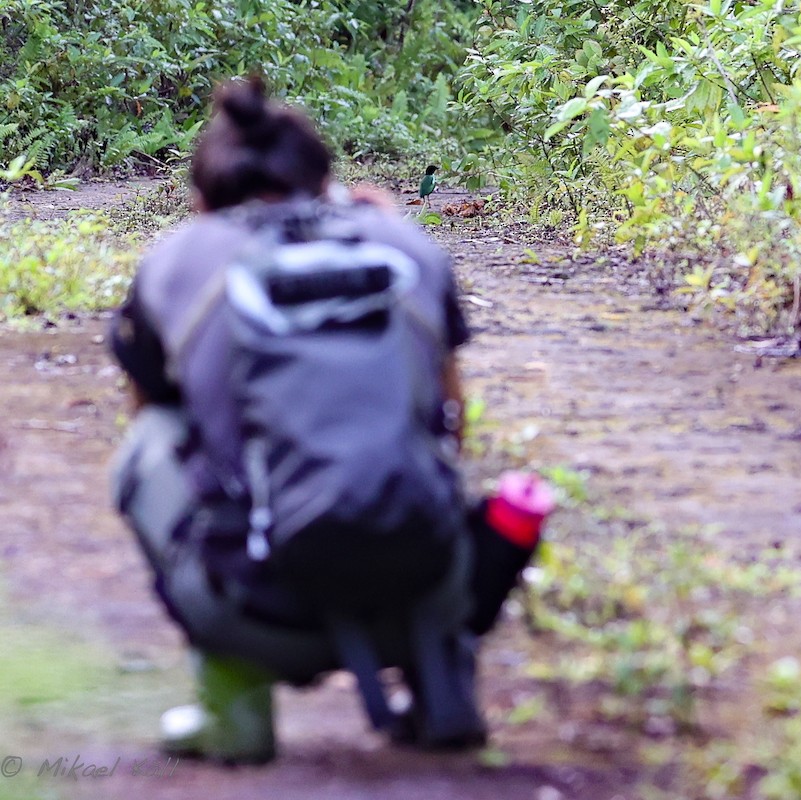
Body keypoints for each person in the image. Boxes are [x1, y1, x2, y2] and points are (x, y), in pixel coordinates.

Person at [108, 76, 539, 764]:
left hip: (257, 613)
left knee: (149, 444)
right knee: (426, 449)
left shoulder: (177, 259)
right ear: (326, 180)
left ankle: (232, 703)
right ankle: (441, 677)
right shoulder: (404, 246)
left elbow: (149, 409)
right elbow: (450, 421)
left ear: (200, 199)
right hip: (426, 583)